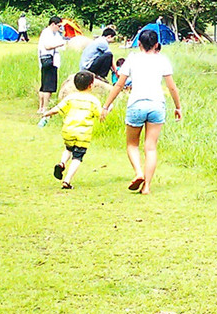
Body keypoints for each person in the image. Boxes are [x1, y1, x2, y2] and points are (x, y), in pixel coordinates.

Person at [102, 29, 184, 195]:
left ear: (139, 43)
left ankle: (138, 172)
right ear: (156, 45)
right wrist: (178, 107)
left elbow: (119, 85)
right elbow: (171, 86)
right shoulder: (162, 60)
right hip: (157, 105)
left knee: (132, 144)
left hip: (136, 103)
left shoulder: (132, 59)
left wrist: (106, 105)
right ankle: (146, 186)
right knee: (151, 147)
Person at [39, 71, 105, 189]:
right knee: (77, 157)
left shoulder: (71, 97)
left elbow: (57, 109)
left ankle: (62, 163)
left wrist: (46, 113)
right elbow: (100, 116)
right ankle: (67, 180)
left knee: (69, 149)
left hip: (68, 130)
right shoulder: (93, 100)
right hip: (83, 134)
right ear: (91, 85)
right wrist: (108, 109)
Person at [36, 16, 66, 113]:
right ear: (53, 24)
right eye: (58, 26)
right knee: (48, 86)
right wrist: (60, 44)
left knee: (44, 85)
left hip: (47, 59)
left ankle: (41, 107)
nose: (59, 28)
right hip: (49, 60)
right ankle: (45, 107)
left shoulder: (54, 33)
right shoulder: (47, 33)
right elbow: (47, 46)